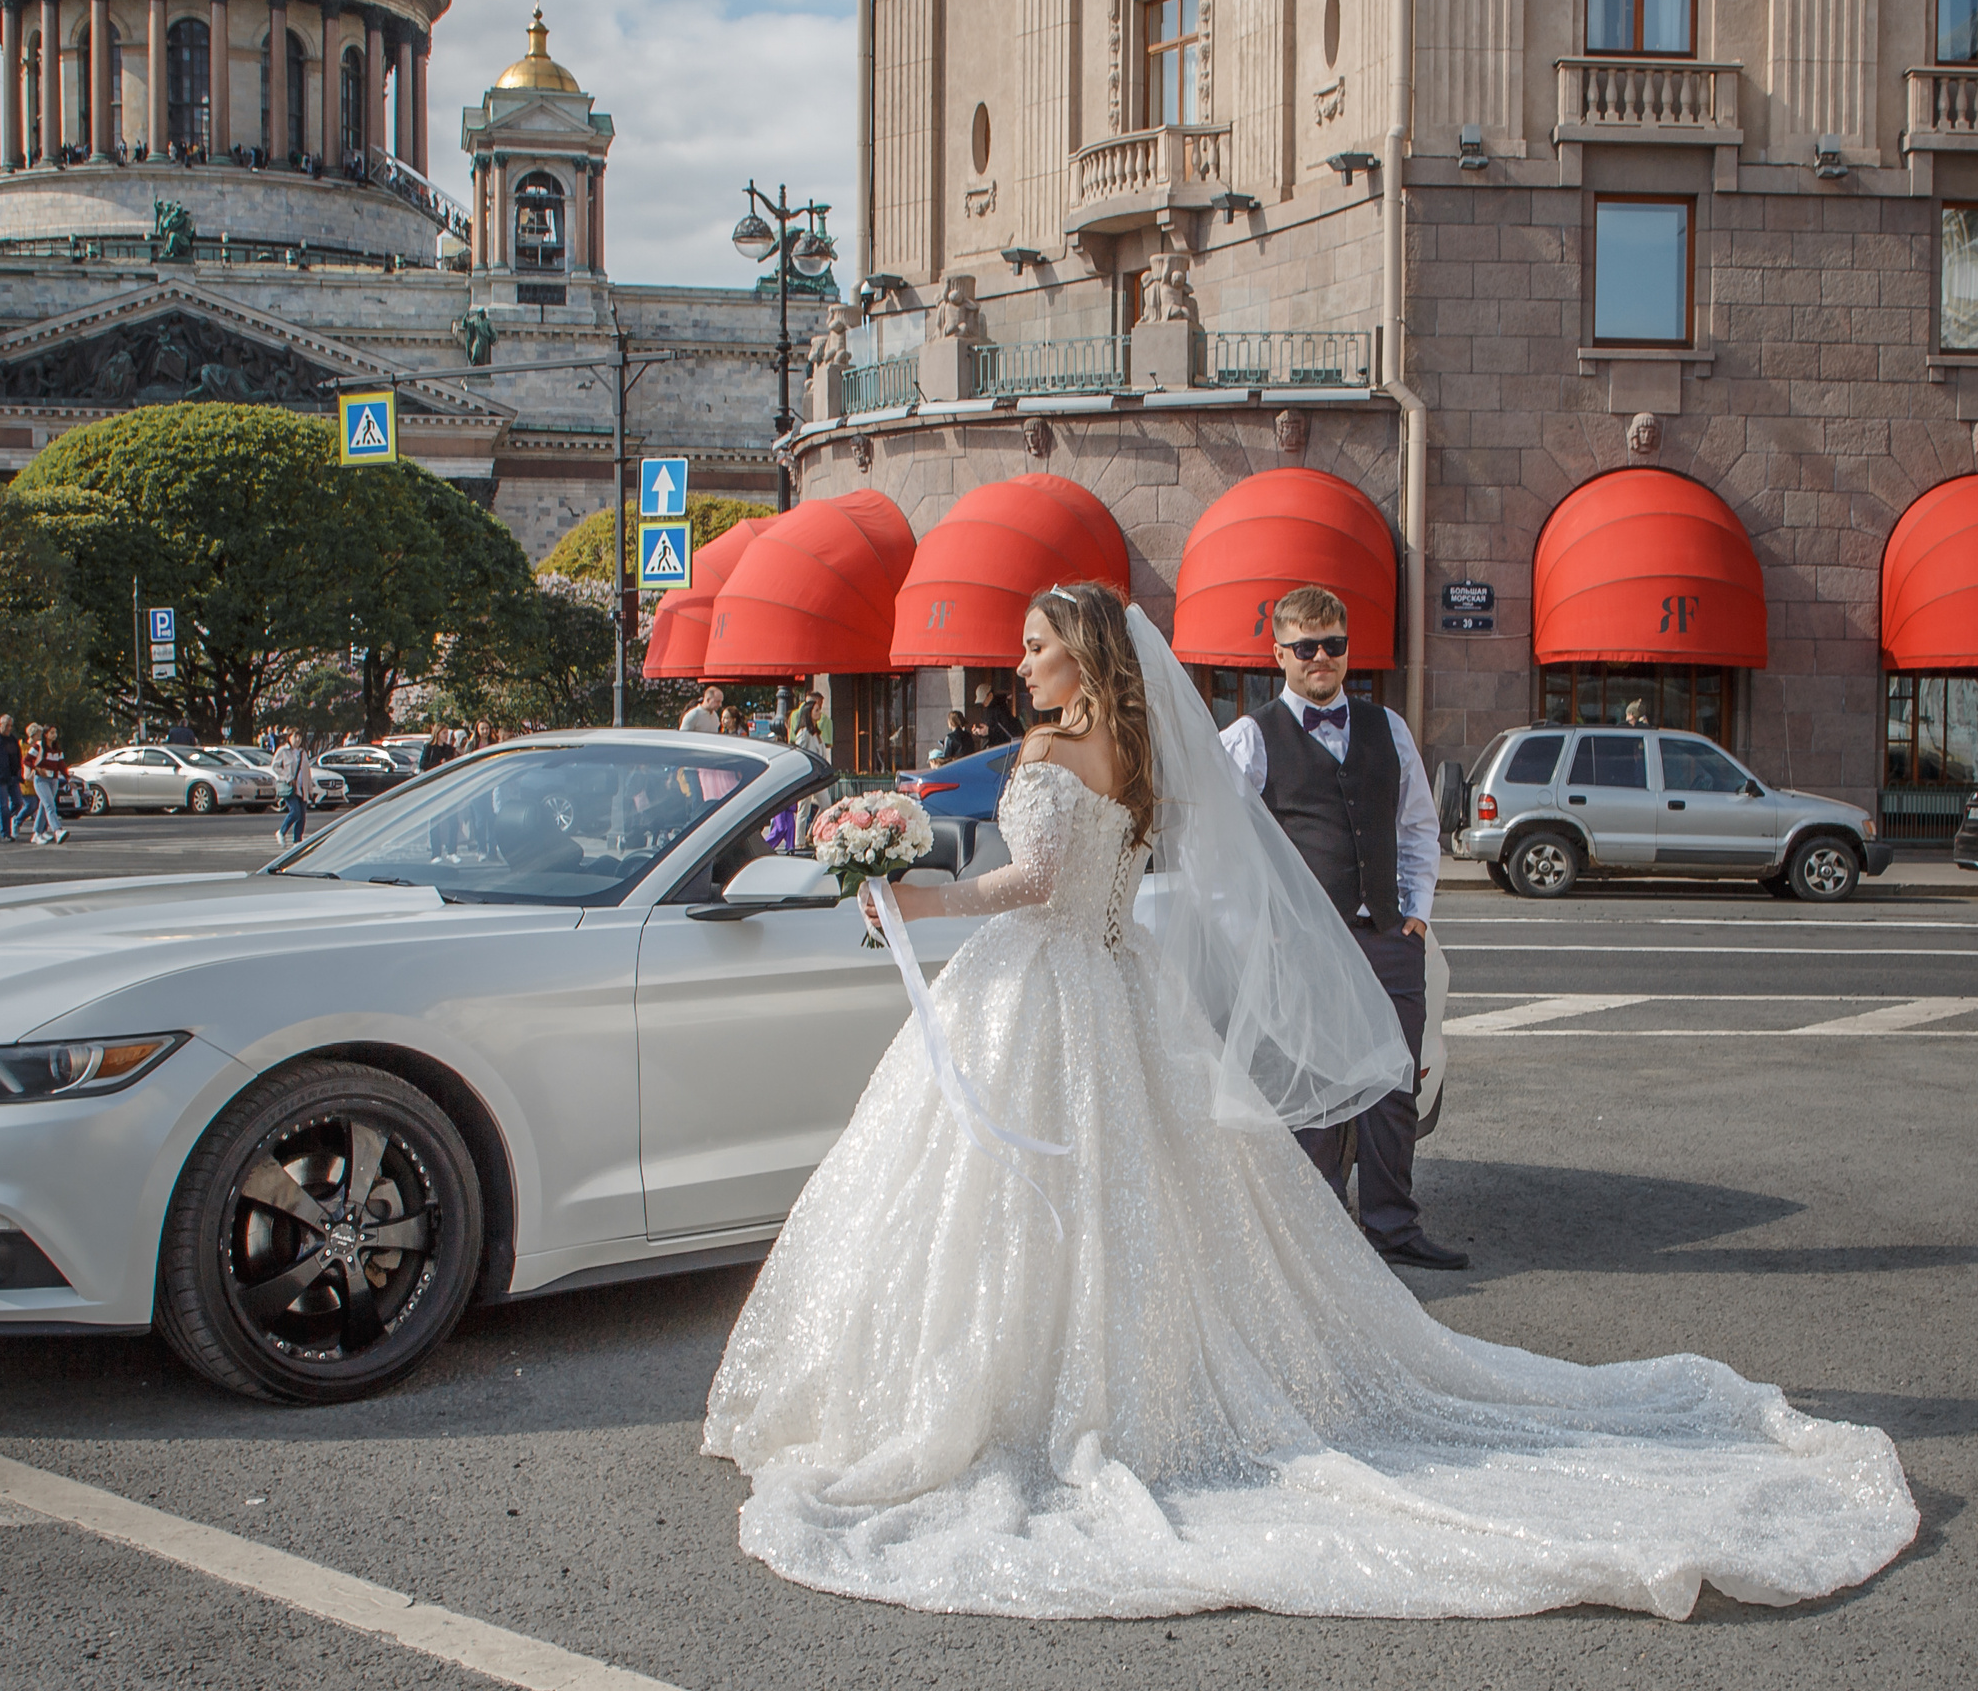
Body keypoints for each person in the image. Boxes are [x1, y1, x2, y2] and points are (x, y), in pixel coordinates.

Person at [702, 580, 1916, 1621]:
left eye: (1034, 642)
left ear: (1084, 651)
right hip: (1110, 989)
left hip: (1041, 988)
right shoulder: (1134, 751)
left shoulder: (1052, 751)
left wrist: (914, 894)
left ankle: (1011, 1397)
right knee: (1121, 1198)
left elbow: (1032, 882)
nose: (1019, 661)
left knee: (1008, 1190)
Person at [1220, 584, 1462, 1271]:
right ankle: (1319, 1237)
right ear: (1279, 654)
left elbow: (1416, 824)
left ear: (1348, 650)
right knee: (1317, 1088)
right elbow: (1219, 841)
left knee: (1394, 1089)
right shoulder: (1249, 736)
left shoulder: (1389, 728)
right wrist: (1256, 931)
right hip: (1304, 945)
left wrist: (1416, 911)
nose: (1321, 657)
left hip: (1388, 935)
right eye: (1306, 647)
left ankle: (1393, 1227)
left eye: (1333, 645)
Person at [25, 723, 70, 844]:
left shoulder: (57, 750)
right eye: (52, 732)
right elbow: (27, 760)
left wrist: (68, 778)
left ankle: (37, 833)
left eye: (55, 732)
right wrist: (38, 769)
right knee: (50, 805)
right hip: (41, 780)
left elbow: (61, 765)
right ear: (45, 734)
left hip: (53, 780)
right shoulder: (38, 747)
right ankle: (57, 830)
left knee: (44, 806)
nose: (54, 735)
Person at [269, 727, 312, 848]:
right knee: (295, 811)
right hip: (289, 788)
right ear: (289, 737)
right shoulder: (283, 751)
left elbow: (307, 772)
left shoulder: (302, 753)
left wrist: (310, 789)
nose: (297, 739)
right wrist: (288, 777)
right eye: (295, 737)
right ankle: (281, 832)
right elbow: (275, 767)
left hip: (301, 788)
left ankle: (297, 841)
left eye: (299, 737)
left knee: (302, 817)